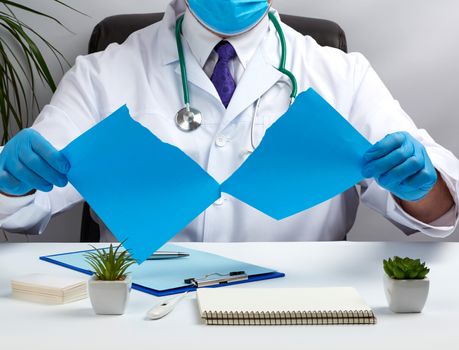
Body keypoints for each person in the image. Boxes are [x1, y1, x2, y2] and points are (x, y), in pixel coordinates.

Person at [0, 0, 457, 242]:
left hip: (299, 312)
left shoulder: (341, 73)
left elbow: (438, 213)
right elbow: (21, 206)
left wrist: (420, 186)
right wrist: (11, 180)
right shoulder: (102, 73)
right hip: (142, 315)